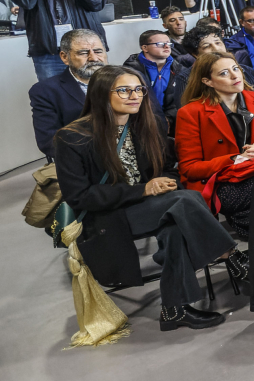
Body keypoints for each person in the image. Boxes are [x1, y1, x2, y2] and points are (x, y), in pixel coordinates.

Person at [54, 65, 237, 331]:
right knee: (184, 201)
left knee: (175, 226)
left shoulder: (147, 124)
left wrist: (165, 183)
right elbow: (80, 197)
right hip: (107, 216)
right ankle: (231, 255)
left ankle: (174, 310)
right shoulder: (72, 138)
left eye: (139, 89)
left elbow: (167, 168)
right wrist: (143, 190)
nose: (135, 96)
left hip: (154, 206)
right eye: (124, 90)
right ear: (101, 94)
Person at [175, 52, 254, 239]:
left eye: (236, 69)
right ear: (207, 81)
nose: (235, 76)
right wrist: (236, 158)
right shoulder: (190, 112)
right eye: (224, 73)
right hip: (220, 181)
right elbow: (190, 168)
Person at [29, 29, 106, 162]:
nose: (93, 58)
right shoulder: (46, 91)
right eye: (83, 53)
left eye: (98, 51)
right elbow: (48, 141)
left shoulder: (124, 81)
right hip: (84, 160)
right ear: (65, 57)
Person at [124, 30, 191, 129]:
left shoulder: (180, 70)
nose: (167, 46)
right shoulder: (130, 70)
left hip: (171, 123)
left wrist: (169, 118)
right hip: (139, 122)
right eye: (160, 44)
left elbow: (183, 100)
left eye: (168, 43)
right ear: (145, 48)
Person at [180, 25, 254, 92]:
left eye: (218, 43)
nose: (216, 48)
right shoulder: (185, 78)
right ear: (195, 55)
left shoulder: (247, 70)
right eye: (207, 46)